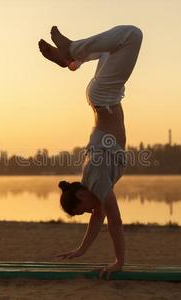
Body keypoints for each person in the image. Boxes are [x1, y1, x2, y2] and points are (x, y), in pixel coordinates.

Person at [38, 25, 143, 280]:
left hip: (103, 96)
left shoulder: (95, 178)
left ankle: (72, 51)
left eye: (82, 209)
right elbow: (99, 218)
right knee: (112, 49)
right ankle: (73, 61)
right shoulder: (95, 185)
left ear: (82, 194)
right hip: (107, 97)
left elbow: (114, 223)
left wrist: (119, 262)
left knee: (132, 35)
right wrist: (80, 251)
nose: (89, 212)